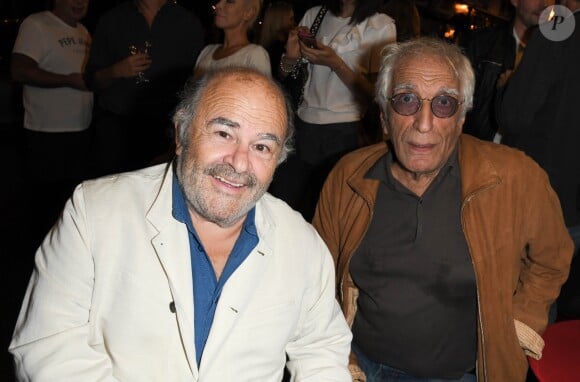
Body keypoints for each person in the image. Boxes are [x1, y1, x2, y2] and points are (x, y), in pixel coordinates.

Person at [9, 67, 352, 381]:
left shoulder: (302, 243)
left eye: (262, 146)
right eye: (223, 132)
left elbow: (321, 351)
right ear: (180, 134)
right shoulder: (94, 211)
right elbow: (48, 348)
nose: (239, 162)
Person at [312, 37, 573, 382]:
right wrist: (339, 363)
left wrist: (519, 326)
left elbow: (551, 259)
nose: (424, 122)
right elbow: (315, 277)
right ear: (385, 117)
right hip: (363, 367)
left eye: (445, 104)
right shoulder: (348, 177)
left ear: (462, 119)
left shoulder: (516, 177)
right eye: (406, 100)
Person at [271, 0, 396, 221]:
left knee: (327, 216)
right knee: (282, 210)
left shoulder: (380, 25)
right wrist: (289, 59)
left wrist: (336, 64)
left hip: (345, 131)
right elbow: (285, 76)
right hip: (302, 127)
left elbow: (376, 96)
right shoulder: (314, 14)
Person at [496, 0, 580, 320]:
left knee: (527, 298)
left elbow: (513, 116)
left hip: (542, 197)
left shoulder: (560, 24)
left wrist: (508, 86)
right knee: (556, 294)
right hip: (573, 203)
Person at [84, 0, 204, 176]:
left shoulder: (187, 23)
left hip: (166, 133)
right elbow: (92, 80)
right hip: (115, 130)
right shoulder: (112, 19)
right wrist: (116, 70)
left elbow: (196, 85)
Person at [11, 0, 93, 239]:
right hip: (45, 132)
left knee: (69, 207)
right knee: (43, 208)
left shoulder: (83, 31)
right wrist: (68, 80)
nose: (80, 2)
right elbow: (20, 70)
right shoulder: (37, 24)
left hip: (81, 129)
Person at [463, 0, 553, 142]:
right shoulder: (483, 43)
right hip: (475, 151)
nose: (544, 4)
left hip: (521, 158)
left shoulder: (555, 57)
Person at [194, 0, 270, 77]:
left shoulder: (254, 55)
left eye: (230, 1)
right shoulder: (207, 51)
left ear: (249, 13)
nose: (218, 5)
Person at [257, 0, 296, 79]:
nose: (294, 23)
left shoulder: (263, 45)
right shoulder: (281, 47)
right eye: (291, 19)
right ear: (281, 21)